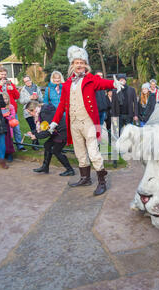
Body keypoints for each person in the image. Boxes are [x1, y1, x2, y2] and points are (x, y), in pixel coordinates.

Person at [49, 44, 122, 196]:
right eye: (77, 62)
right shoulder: (67, 83)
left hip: (89, 122)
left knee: (94, 152)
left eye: (82, 62)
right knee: (80, 153)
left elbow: (102, 83)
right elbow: (62, 104)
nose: (80, 65)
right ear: (72, 65)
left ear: (85, 65)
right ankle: (85, 178)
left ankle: (102, 181)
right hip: (74, 123)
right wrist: (55, 121)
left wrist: (114, 84)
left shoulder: (91, 79)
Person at [27, 101, 75, 176]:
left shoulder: (44, 113)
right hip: (58, 131)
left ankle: (70, 170)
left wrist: (36, 136)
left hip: (63, 131)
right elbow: (44, 127)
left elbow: (48, 131)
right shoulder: (42, 111)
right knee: (47, 145)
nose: (30, 115)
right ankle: (45, 167)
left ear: (33, 110)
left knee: (56, 151)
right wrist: (33, 132)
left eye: (29, 112)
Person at [0, 67, 26, 152]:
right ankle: (7, 146)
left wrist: (13, 89)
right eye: (1, 74)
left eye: (5, 74)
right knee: (4, 130)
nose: (3, 76)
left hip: (11, 109)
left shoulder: (9, 83)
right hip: (0, 111)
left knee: (16, 128)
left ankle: (19, 145)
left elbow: (17, 96)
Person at [19, 75, 44, 150]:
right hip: (28, 112)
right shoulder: (23, 90)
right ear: (24, 82)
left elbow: (41, 99)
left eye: (28, 80)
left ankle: (36, 142)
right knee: (33, 127)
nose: (28, 82)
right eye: (26, 81)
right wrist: (29, 98)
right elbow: (21, 101)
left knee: (37, 127)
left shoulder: (36, 87)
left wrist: (37, 97)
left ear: (31, 80)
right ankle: (34, 144)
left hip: (37, 111)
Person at [0, 93, 16, 162]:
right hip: (1, 126)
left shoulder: (10, 107)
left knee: (9, 140)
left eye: (6, 99)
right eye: (3, 99)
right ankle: (4, 153)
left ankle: (10, 154)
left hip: (9, 126)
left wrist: (7, 116)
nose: (4, 100)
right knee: (2, 140)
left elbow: (13, 116)